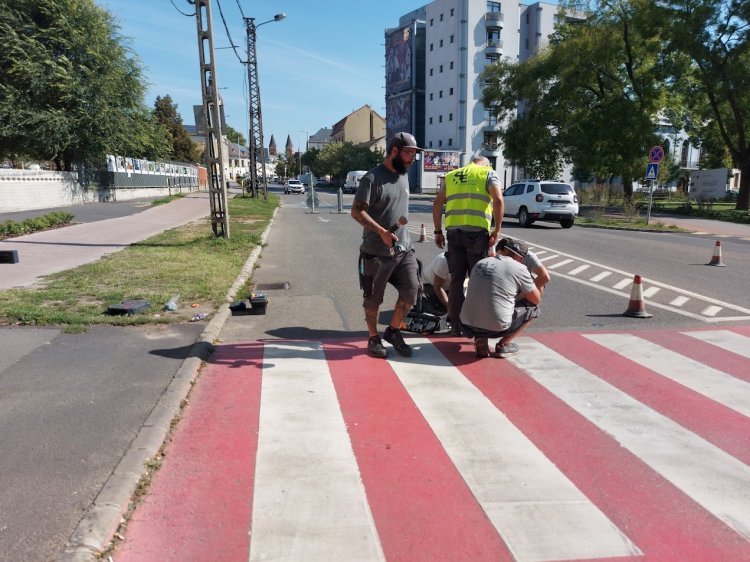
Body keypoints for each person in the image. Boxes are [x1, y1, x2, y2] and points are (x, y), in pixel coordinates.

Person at [351, 132, 422, 359]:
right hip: (376, 254)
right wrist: (381, 231)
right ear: (394, 151)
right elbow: (356, 211)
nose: (412, 159)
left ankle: (393, 331)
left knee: (412, 293)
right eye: (409, 153)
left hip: (403, 250)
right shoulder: (372, 179)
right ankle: (373, 337)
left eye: (414, 154)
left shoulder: (404, 176)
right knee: (373, 300)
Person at [432, 155, 504, 336]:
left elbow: (438, 203)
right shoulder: (488, 173)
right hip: (476, 234)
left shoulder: (452, 176)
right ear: (486, 163)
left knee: (456, 281)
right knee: (478, 281)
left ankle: (456, 325)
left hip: (454, 233)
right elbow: (498, 200)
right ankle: (477, 325)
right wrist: (497, 230)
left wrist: (437, 231)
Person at [460, 238, 541, 358]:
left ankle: (481, 339)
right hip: (496, 327)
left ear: (504, 250)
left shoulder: (481, 262)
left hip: (466, 324)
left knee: (484, 300)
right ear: (521, 258)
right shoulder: (520, 268)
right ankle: (503, 345)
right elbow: (535, 299)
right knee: (534, 308)